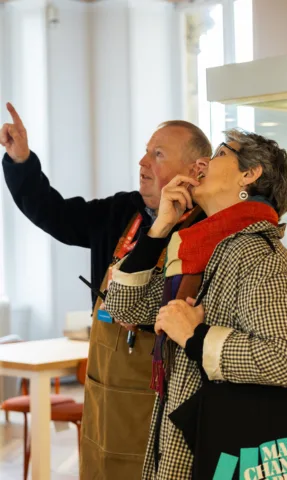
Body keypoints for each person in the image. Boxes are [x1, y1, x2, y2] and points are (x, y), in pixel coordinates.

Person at [0, 102, 211, 479]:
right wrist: (21, 162)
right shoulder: (120, 211)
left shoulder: (208, 230)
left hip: (164, 386)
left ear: (195, 171)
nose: (143, 162)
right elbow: (55, 214)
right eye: (146, 151)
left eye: (157, 154)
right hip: (103, 382)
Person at [104, 129, 287, 479]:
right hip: (187, 432)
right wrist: (160, 228)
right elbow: (125, 308)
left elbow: (285, 359)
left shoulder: (259, 254)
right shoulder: (198, 248)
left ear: (250, 173)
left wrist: (197, 336)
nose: (203, 164)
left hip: (224, 447)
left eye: (219, 154)